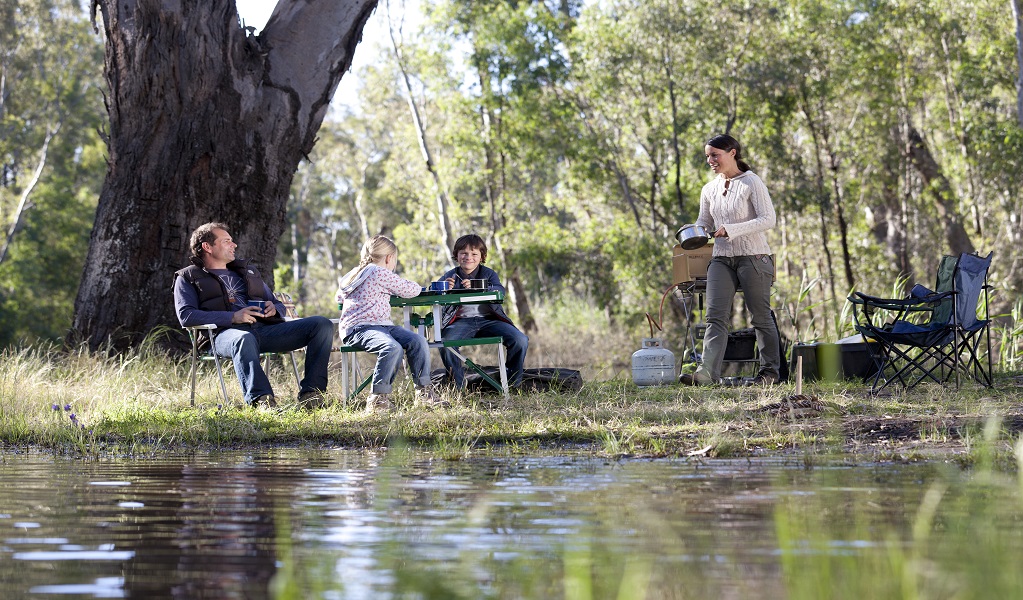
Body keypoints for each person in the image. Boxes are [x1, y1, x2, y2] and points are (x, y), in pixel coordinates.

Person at [174, 222, 334, 409]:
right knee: (244, 338)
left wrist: (274, 308)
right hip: (222, 335)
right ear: (207, 247)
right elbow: (186, 316)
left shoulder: (246, 272)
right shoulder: (187, 277)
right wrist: (232, 317)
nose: (234, 245)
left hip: (264, 330)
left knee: (321, 324)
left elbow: (276, 304)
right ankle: (262, 401)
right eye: (227, 241)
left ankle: (312, 395)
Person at [679, 134, 782, 387]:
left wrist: (731, 229)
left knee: (760, 316)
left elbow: (768, 219)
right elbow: (705, 222)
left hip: (754, 258)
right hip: (722, 259)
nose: (710, 160)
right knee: (715, 317)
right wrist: (695, 229)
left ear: (732, 153)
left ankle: (770, 374)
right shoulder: (709, 189)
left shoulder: (751, 182)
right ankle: (706, 374)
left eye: (715, 155)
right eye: (707, 156)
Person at [337, 235, 443, 413]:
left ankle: (424, 393)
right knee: (392, 347)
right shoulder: (378, 272)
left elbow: (339, 296)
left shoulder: (355, 273)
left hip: (380, 326)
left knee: (417, 341)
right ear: (389, 258)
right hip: (360, 328)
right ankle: (377, 400)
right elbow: (411, 290)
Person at [437, 234, 529, 389]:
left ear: (481, 257)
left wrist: (479, 286)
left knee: (520, 340)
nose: (469, 257)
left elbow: (500, 290)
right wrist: (444, 288)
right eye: (464, 253)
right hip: (460, 322)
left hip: (490, 320)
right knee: (445, 343)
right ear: (457, 256)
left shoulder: (489, 274)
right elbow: (435, 292)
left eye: (474, 254)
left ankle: (512, 383)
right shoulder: (449, 275)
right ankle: (457, 386)